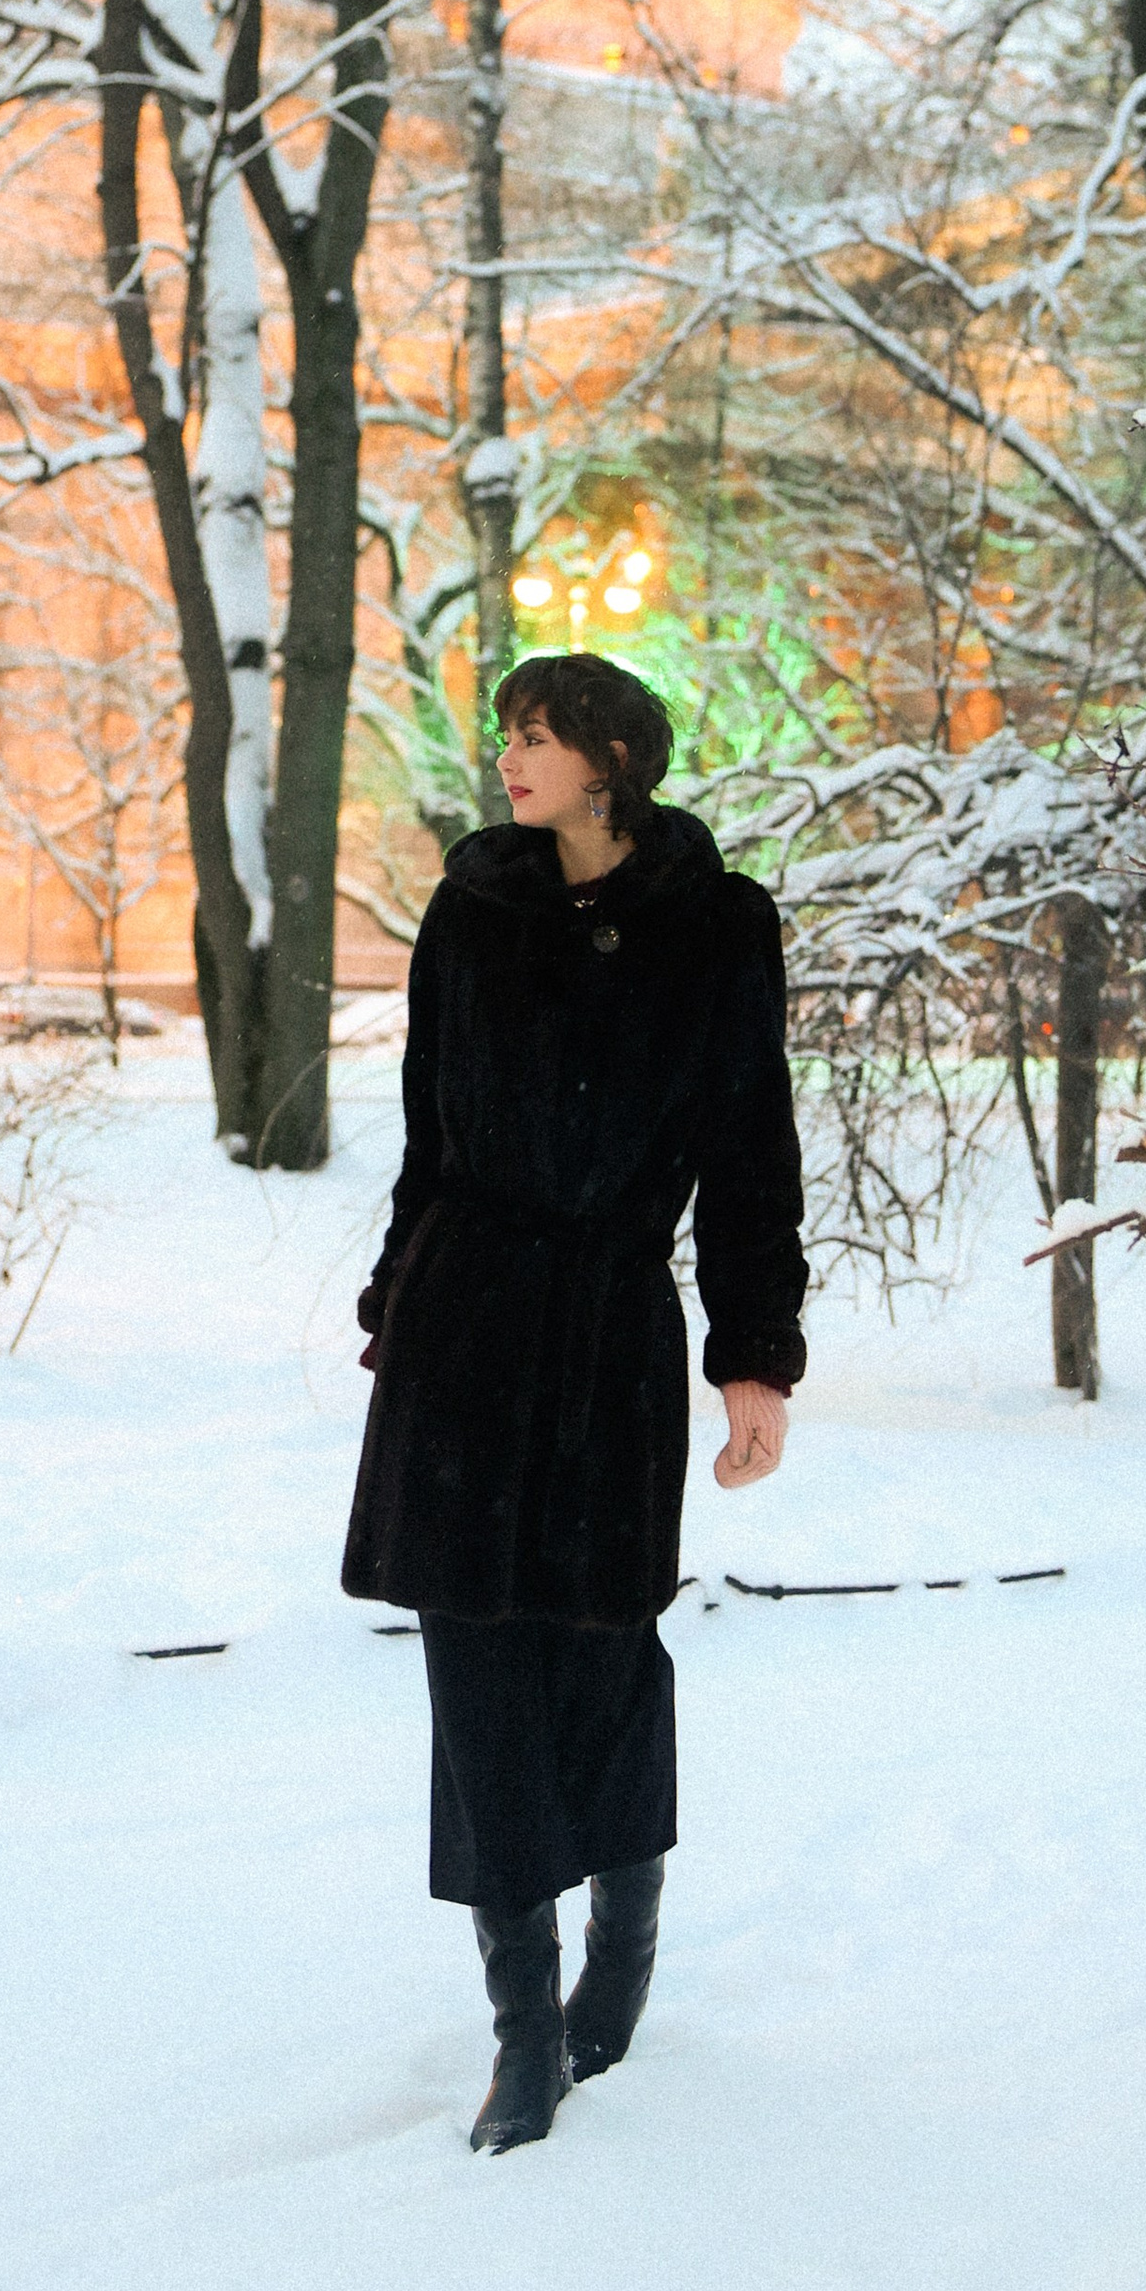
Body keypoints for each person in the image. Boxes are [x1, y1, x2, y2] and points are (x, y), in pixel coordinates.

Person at [342, 651, 809, 2153]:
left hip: (611, 1330)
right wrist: (393, 1303)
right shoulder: (472, 911)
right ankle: (524, 2034)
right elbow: (427, 1132)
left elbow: (752, 1160)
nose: (508, 760)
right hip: (464, 1331)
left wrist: (754, 1358)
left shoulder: (720, 932)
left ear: (612, 755)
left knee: (604, 1652)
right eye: (506, 734)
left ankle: (624, 1950)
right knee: (475, 1666)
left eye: (535, 735)